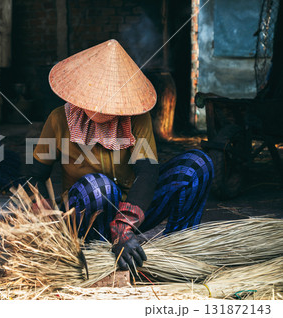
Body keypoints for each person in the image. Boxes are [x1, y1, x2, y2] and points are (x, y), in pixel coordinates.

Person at [28, 39, 214, 272]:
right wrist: (44, 213)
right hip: (87, 211)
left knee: (197, 164)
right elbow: (35, 174)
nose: (101, 106)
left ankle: (177, 253)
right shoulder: (58, 119)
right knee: (100, 187)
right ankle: (95, 256)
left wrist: (123, 227)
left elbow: (147, 171)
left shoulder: (137, 118)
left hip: (132, 212)